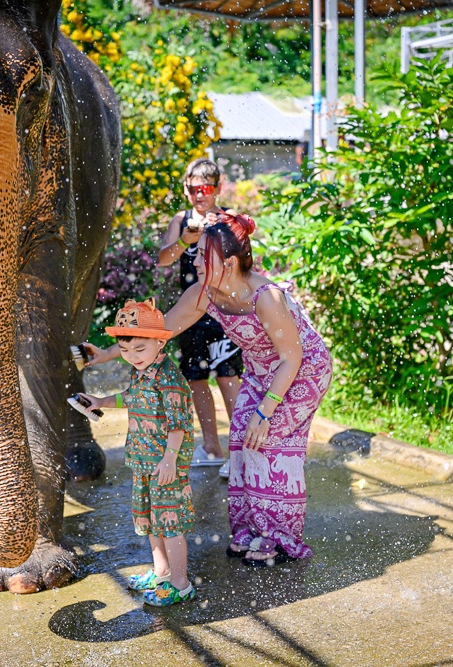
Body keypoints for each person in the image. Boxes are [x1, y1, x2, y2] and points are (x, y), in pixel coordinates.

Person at [84, 213, 332, 567]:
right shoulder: (204, 293)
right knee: (241, 443)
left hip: (304, 371)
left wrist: (265, 413)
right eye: (196, 253)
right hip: (263, 372)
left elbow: (292, 359)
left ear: (229, 264)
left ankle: (280, 538)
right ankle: (251, 529)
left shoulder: (267, 298)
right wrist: (105, 355)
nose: (195, 260)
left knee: (268, 442)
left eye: (202, 255)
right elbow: (160, 331)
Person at [77, 298, 197, 606]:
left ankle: (180, 583)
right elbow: (132, 397)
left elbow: (178, 423)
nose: (133, 357)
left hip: (164, 463)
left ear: (159, 342)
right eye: (126, 351)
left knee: (170, 524)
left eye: (140, 350)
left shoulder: (168, 377)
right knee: (151, 521)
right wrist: (102, 402)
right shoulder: (140, 372)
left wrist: (170, 458)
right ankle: (161, 572)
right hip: (144, 460)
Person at [158, 158, 242, 478]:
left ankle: (239, 454)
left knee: (227, 377)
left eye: (205, 189)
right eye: (193, 189)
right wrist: (185, 241)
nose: (199, 195)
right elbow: (164, 260)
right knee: (195, 378)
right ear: (186, 190)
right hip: (191, 312)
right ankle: (211, 447)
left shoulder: (228, 220)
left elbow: (242, 264)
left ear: (218, 188)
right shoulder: (181, 220)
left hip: (222, 312)